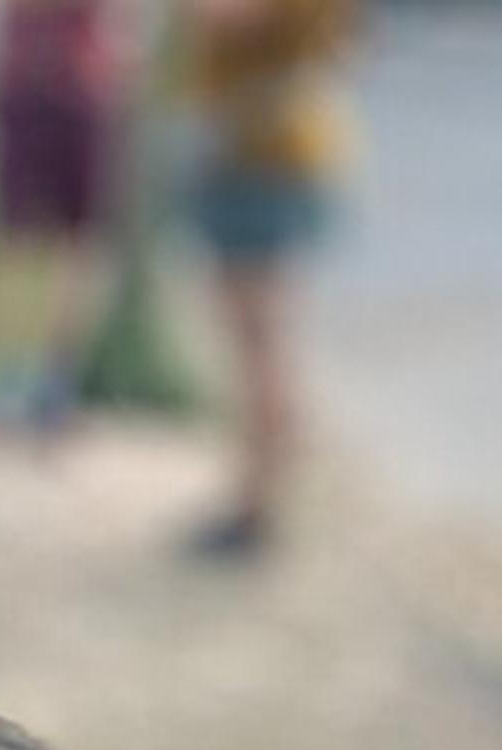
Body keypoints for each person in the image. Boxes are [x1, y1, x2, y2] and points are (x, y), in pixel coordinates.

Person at [174, 0, 355, 555]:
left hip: (260, 157)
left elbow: (226, 15)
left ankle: (259, 502)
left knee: (260, 341)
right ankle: (259, 492)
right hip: (266, 149)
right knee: (260, 340)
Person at [0, 0, 119, 438]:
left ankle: (53, 386)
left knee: (78, 245)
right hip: (27, 88)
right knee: (8, 244)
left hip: (77, 88)